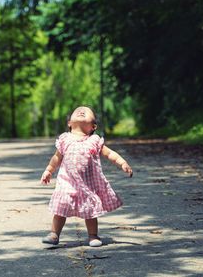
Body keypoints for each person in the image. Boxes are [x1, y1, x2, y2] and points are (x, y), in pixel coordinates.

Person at [40, 106, 133, 247]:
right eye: (77, 111)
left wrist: (122, 162)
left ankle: (93, 235)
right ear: (69, 123)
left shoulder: (94, 140)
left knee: (90, 211)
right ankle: (54, 234)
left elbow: (109, 154)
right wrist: (49, 170)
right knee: (61, 207)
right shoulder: (65, 139)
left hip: (88, 184)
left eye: (86, 111)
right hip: (67, 182)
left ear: (93, 126)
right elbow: (56, 158)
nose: (81, 110)